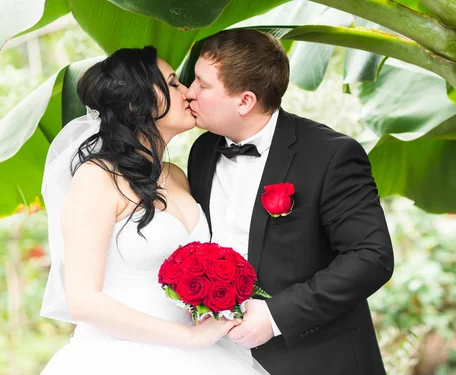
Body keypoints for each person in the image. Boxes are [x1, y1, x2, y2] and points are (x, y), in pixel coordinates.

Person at [40, 46, 268, 374]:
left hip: (202, 353)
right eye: (174, 83)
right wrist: (188, 338)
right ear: (138, 103)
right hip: (121, 358)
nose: (189, 92)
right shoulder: (98, 179)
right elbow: (83, 301)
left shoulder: (176, 175)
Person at [187, 29, 394, 375]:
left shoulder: (330, 154)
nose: (189, 93)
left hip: (317, 358)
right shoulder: (203, 151)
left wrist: (275, 315)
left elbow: (371, 257)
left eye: (202, 85)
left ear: (244, 101)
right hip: (221, 357)